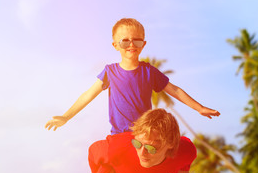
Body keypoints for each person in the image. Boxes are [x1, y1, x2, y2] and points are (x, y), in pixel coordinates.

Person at [45, 18, 220, 133]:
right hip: (118, 134)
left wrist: (199, 108)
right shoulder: (110, 72)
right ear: (115, 45)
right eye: (125, 41)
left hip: (146, 133)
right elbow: (88, 95)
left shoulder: (149, 71)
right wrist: (66, 117)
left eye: (136, 40)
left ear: (143, 44)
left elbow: (174, 90)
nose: (131, 44)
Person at [86, 108, 202, 173]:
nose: (142, 153)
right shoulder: (116, 148)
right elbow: (93, 154)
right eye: (137, 144)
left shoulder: (184, 150)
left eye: (151, 148)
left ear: (170, 144)